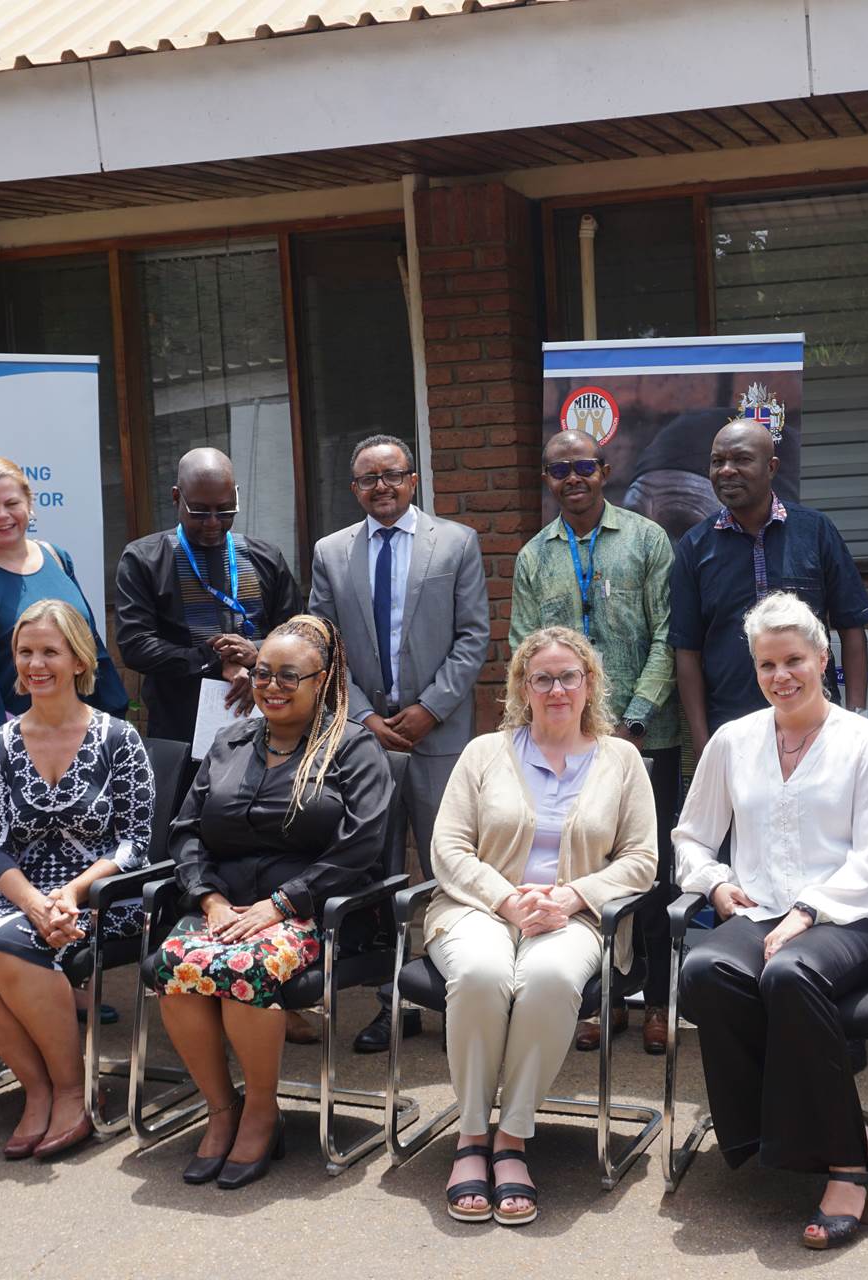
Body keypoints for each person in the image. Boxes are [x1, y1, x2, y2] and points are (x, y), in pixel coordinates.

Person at [675, 592, 868, 1251]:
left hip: (851, 913)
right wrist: (716, 884)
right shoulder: (732, 741)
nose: (782, 676)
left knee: (788, 974)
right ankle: (838, 1133)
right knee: (706, 970)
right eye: (767, 664)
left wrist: (810, 912)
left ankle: (846, 1167)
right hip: (759, 907)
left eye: (795, 660)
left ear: (824, 657)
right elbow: (691, 837)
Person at [142, 614, 393, 1190]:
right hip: (224, 909)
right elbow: (185, 831)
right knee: (173, 968)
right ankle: (221, 1107)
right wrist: (207, 899)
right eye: (262, 674)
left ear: (322, 680)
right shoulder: (230, 740)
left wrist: (281, 904)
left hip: (318, 911)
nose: (272, 686)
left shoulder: (353, 748)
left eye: (289, 676)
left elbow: (362, 846)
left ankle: (261, 1110)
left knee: (240, 970)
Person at [428, 627, 657, 1226]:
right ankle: (471, 1137)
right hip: (478, 908)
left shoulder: (622, 759)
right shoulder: (483, 753)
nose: (557, 689)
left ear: (589, 685)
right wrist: (507, 901)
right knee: (480, 972)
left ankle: (512, 1140)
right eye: (542, 678)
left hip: (574, 915)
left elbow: (641, 859)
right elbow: (449, 848)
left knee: (550, 978)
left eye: (569, 677)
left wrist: (572, 895)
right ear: (523, 688)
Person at [0, 600, 155, 1161]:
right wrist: (33, 902)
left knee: (7, 952)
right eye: (25, 652)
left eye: (50, 651)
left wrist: (71, 894)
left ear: (78, 660)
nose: (35, 664)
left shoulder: (118, 738)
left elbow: (135, 843)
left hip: (102, 893)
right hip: (18, 891)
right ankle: (38, 1086)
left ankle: (75, 1090)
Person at [308, 433, 488, 1053]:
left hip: (440, 736)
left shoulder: (456, 542)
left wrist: (429, 709)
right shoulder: (331, 553)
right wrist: (362, 717)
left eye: (392, 474)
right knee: (378, 871)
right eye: (367, 479)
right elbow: (321, 646)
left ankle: (457, 994)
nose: (381, 486)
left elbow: (473, 638)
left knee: (451, 865)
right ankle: (393, 1001)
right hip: (365, 741)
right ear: (355, 489)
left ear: (413, 480)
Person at [510, 428, 680, 1055]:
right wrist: (566, 727)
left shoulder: (646, 539)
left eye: (583, 466)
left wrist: (631, 722)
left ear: (604, 469)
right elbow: (523, 651)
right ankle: (594, 1000)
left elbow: (668, 634)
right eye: (560, 470)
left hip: (646, 738)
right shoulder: (534, 556)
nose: (573, 478)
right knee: (576, 866)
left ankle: (659, 1000)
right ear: (548, 479)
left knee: (650, 870)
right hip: (563, 743)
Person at [670, 419, 868, 758]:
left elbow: (852, 628)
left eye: (741, 459)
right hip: (733, 729)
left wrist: (856, 719)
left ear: (772, 467)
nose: (727, 471)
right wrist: (704, 743)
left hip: (818, 724)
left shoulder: (815, 532)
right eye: (717, 461)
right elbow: (687, 652)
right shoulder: (695, 547)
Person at [113, 446, 302, 744]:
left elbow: (300, 635)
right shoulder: (144, 559)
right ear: (177, 497)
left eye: (225, 510)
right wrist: (212, 661)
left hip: (268, 723)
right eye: (200, 511)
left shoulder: (265, 556)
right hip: (181, 729)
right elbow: (136, 646)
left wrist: (259, 654)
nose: (213, 522)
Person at [0, 455, 129, 732]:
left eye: (12, 503)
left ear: (29, 503)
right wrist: (2, 759)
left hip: (85, 734)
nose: (2, 515)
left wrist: (114, 719)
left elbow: (91, 647)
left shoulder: (57, 557)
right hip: (23, 745)